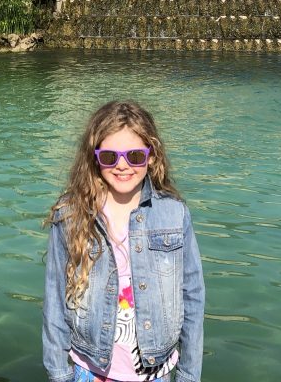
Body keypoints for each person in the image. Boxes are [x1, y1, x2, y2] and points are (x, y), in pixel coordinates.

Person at [43, 101, 204, 382]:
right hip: (89, 370)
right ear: (94, 158)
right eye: (109, 157)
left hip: (156, 373)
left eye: (134, 156)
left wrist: (189, 375)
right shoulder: (69, 215)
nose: (122, 166)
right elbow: (55, 298)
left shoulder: (175, 213)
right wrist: (59, 373)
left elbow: (193, 296)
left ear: (151, 156)